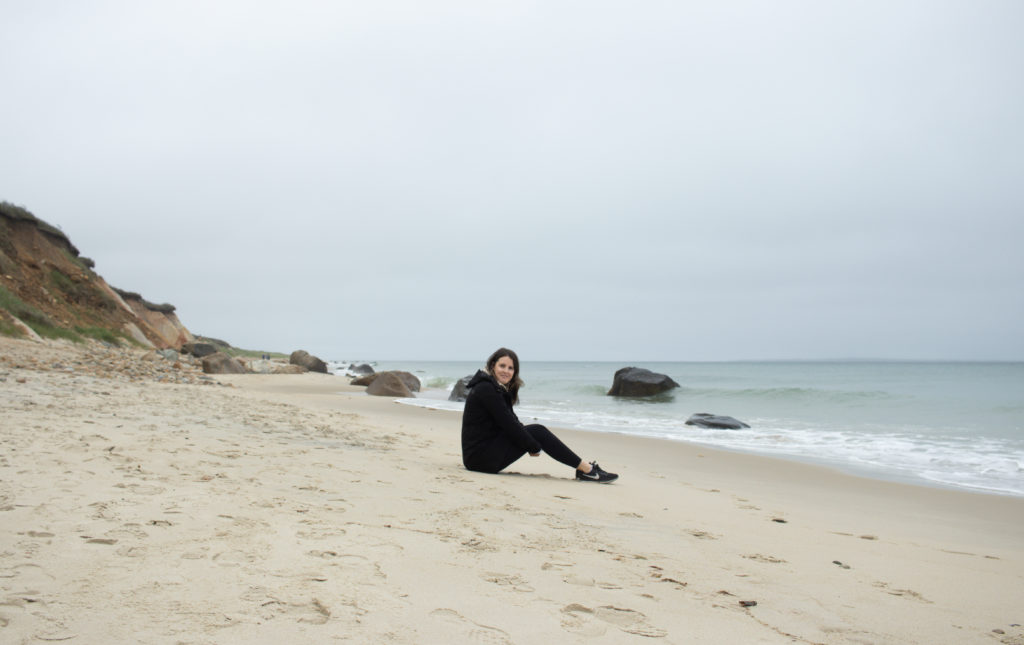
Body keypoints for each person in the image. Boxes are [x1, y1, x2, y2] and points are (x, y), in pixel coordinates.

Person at [461, 347, 618, 483]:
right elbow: (508, 424)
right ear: (493, 365)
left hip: (481, 456)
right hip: (479, 459)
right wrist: (533, 445)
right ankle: (588, 470)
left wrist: (530, 443)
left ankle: (586, 469)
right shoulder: (486, 389)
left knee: (535, 431)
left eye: (511, 368)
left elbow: (511, 421)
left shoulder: (493, 388)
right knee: (538, 431)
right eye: (502, 366)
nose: (506, 371)